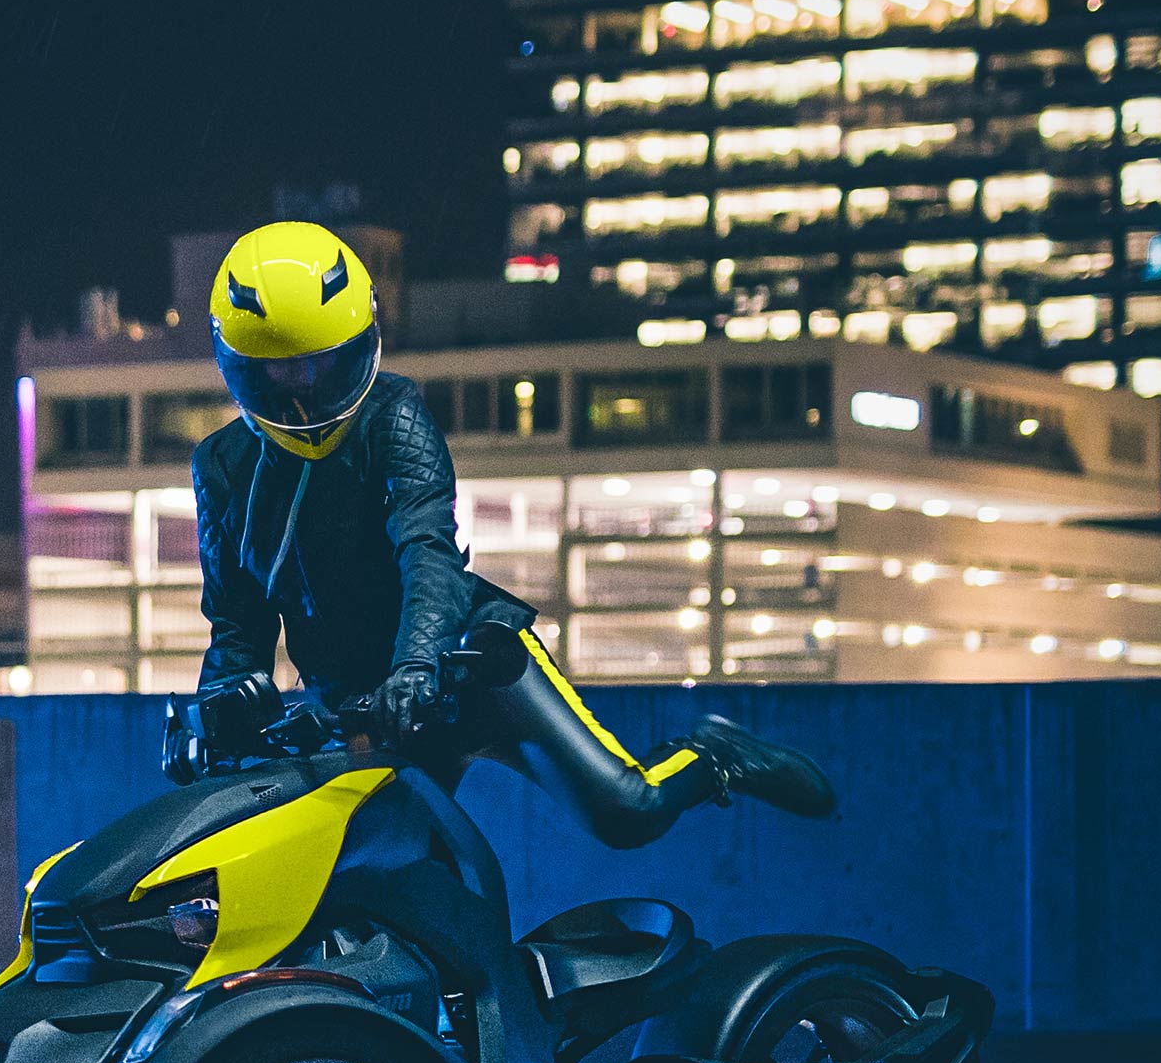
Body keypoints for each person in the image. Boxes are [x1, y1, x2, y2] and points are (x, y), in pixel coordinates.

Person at [182, 218, 836, 849]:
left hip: (473, 666)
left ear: (365, 343)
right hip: (360, 708)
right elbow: (237, 623)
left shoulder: (394, 415)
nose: (304, 392)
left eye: (325, 367)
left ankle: (715, 754)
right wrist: (221, 705)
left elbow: (428, 551)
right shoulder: (221, 466)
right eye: (279, 372)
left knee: (626, 810)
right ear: (235, 362)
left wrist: (417, 666)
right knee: (377, 879)